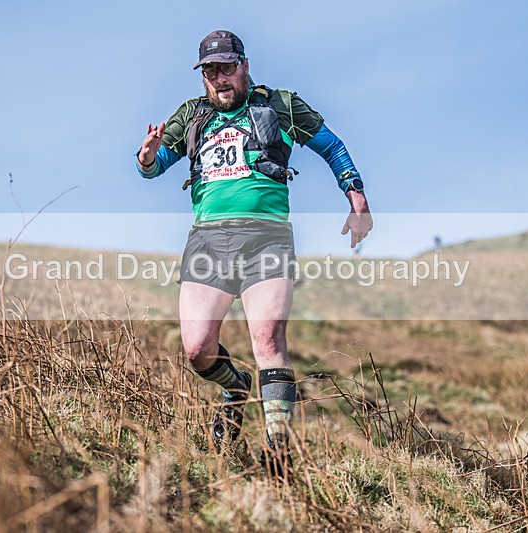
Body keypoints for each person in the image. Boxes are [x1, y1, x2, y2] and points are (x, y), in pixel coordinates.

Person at [135, 30, 373, 475]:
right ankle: (236, 387)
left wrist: (355, 193)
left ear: (244, 64)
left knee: (267, 339)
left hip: (267, 237)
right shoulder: (192, 115)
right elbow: (152, 168)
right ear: (202, 76)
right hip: (208, 242)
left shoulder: (277, 105)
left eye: (227, 67)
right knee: (197, 350)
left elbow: (332, 145)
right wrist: (147, 156)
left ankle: (278, 453)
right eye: (210, 71)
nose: (220, 78)